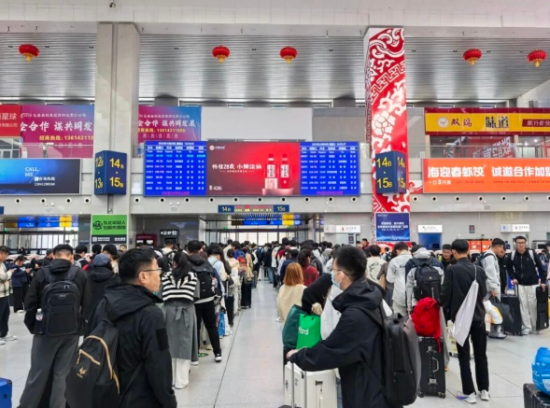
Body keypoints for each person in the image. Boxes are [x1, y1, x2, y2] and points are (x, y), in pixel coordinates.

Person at [286, 246, 390, 408]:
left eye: (333, 270)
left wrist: (299, 356)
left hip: (365, 388)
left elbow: (331, 350)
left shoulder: (355, 313)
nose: (331, 275)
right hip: (378, 377)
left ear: (341, 275)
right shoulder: (371, 296)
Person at [86, 248, 177, 408]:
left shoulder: (103, 303)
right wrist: (168, 401)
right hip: (139, 397)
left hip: (103, 393)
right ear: (143, 277)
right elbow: (158, 363)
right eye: (157, 270)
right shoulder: (150, 313)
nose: (160, 275)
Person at [19, 244, 91, 408]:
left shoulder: (42, 273)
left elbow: (30, 302)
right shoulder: (80, 274)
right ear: (71, 257)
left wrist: (35, 327)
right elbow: (87, 304)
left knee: (38, 373)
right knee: (62, 375)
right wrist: (80, 326)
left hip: (45, 331)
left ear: (53, 256)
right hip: (71, 332)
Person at [440, 239, 489, 404]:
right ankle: (484, 390)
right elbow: (484, 292)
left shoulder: (452, 269)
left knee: (463, 355)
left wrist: (440, 305)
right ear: (468, 251)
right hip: (478, 317)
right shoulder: (478, 269)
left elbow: (445, 294)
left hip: (461, 318)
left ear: (453, 251)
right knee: (481, 354)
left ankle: (469, 392)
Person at [161, 251, 199, 389]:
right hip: (187, 311)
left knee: (169, 343)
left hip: (169, 312)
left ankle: (170, 379)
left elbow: (160, 295)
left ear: (174, 263)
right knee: (185, 344)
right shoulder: (193, 277)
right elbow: (196, 296)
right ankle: (181, 380)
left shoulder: (166, 276)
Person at [188, 240, 223, 362]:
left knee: (195, 327)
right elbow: (215, 279)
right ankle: (217, 353)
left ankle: (195, 355)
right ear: (200, 249)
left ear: (188, 249)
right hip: (208, 299)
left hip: (194, 300)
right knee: (211, 326)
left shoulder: (186, 263)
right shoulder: (206, 263)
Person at [506, 235, 546, 335]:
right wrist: (513, 278)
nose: (521, 245)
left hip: (533, 284)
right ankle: (526, 327)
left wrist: (543, 281)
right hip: (520, 285)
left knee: (533, 305)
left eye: (523, 243)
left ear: (526, 243)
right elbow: (509, 268)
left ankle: (534, 325)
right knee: (523, 306)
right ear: (515, 244)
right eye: (519, 243)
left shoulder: (532, 254)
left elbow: (541, 268)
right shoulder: (512, 255)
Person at [86, 253, 120, 317]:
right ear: (108, 263)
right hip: (108, 313)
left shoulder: (86, 276)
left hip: (88, 313)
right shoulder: (115, 278)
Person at [386, 242, 412, 316]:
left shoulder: (394, 261)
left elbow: (390, 279)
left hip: (399, 294)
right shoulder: (414, 259)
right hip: (413, 295)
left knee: (399, 318)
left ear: (397, 250)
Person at [0, 245, 17, 345]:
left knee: (5, 314)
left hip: (4, 293)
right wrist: (10, 272)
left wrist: (6, 278)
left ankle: (3, 334)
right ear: (1, 253)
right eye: (5, 255)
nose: (6, 257)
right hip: (0, 294)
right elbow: (3, 277)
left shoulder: (2, 263)